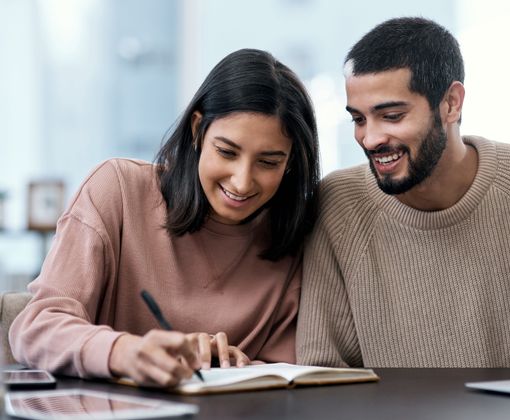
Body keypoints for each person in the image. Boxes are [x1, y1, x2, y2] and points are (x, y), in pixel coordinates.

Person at [296, 17, 510, 369]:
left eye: (391, 116)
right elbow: (322, 370)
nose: (370, 138)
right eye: (359, 120)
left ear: (451, 103)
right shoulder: (339, 205)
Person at [10, 48, 320, 387]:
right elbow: (37, 326)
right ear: (199, 129)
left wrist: (233, 365)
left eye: (269, 162)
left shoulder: (296, 237)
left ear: (290, 162)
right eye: (227, 152)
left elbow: (282, 374)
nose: (242, 181)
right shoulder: (117, 192)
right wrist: (124, 352)